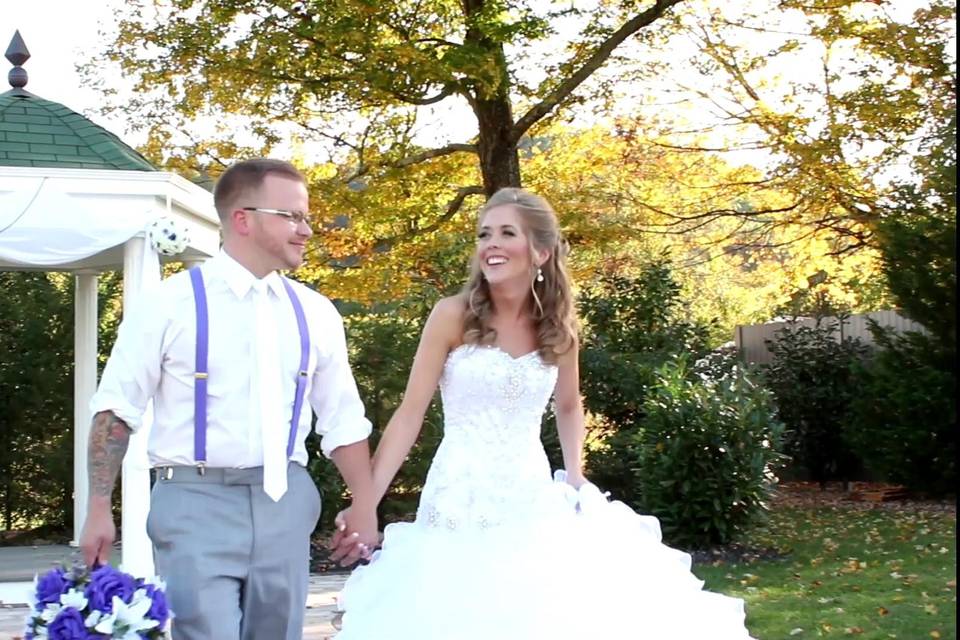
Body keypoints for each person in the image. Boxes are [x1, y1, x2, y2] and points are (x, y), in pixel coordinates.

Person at [329, 187, 757, 639]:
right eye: (483, 234)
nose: (490, 244)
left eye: (506, 233)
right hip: (457, 495)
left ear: (540, 251)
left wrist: (575, 476)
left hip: (529, 495)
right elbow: (410, 414)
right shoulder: (451, 315)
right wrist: (366, 501)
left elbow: (569, 406)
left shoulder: (558, 326)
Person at [79, 158, 377, 640]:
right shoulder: (166, 303)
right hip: (193, 501)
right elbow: (117, 409)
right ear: (243, 218)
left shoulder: (316, 313)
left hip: (286, 501)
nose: (305, 230)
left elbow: (343, 420)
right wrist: (97, 508)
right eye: (292, 216)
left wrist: (364, 505)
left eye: (305, 217)